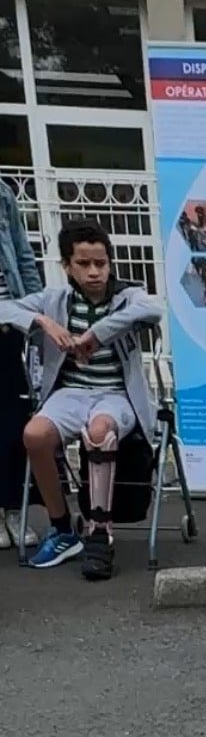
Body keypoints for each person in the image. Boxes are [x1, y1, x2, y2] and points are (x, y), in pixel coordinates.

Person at [0, 220, 162, 580]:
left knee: (100, 430)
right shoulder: (55, 300)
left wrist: (97, 333)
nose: (94, 272)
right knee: (34, 435)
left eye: (101, 263)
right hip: (70, 393)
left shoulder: (127, 296)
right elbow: (4, 309)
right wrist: (42, 321)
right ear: (67, 266)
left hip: (116, 395)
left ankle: (99, 532)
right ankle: (62, 529)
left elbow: (153, 310)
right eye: (84, 264)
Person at [0, 176, 42, 552]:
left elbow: (23, 254)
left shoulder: (2, 192)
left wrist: (36, 311)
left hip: (8, 322)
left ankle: (14, 507)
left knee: (14, 419)